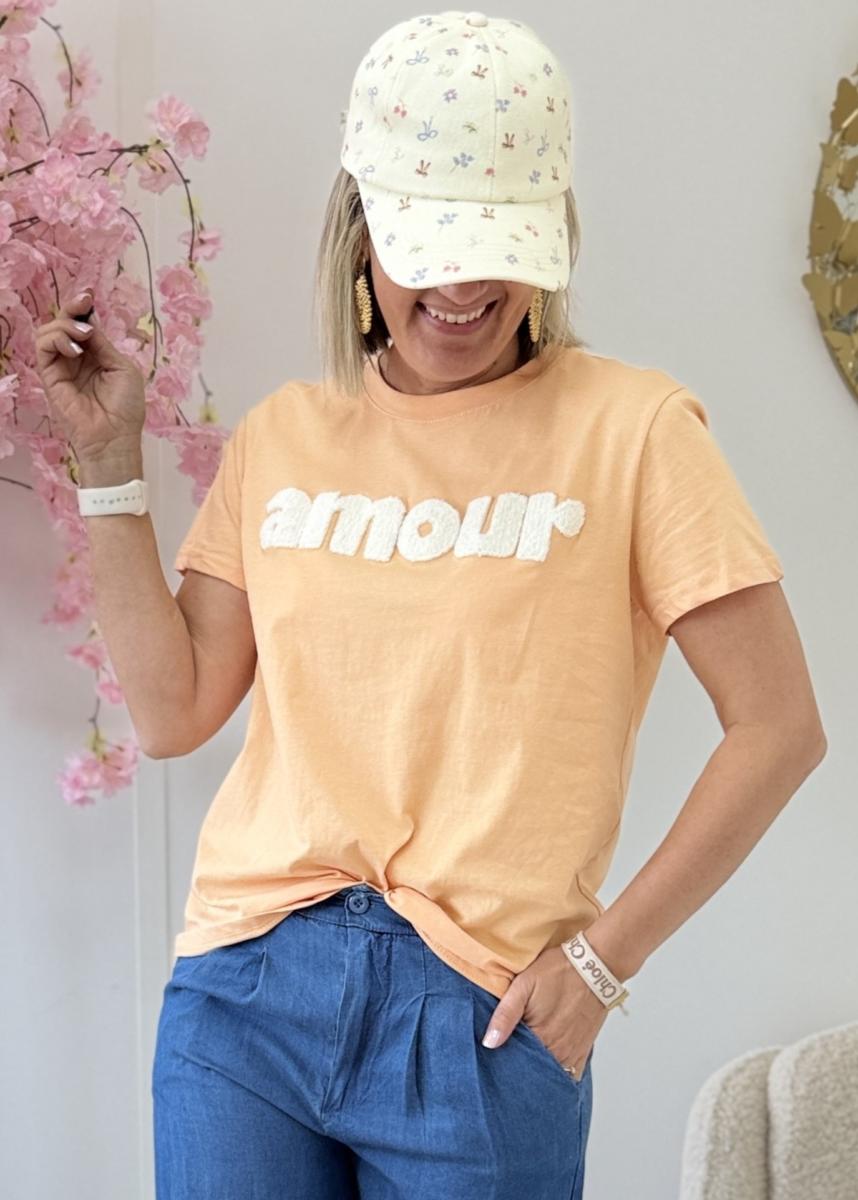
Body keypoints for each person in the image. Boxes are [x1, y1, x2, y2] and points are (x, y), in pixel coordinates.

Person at [35, 11, 827, 1199]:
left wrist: (602, 966)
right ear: (359, 233)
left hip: (481, 1017)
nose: (461, 286)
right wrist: (109, 464)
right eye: (427, 246)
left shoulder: (636, 431)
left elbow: (779, 728)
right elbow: (172, 709)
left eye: (495, 246)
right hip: (245, 998)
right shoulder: (286, 436)